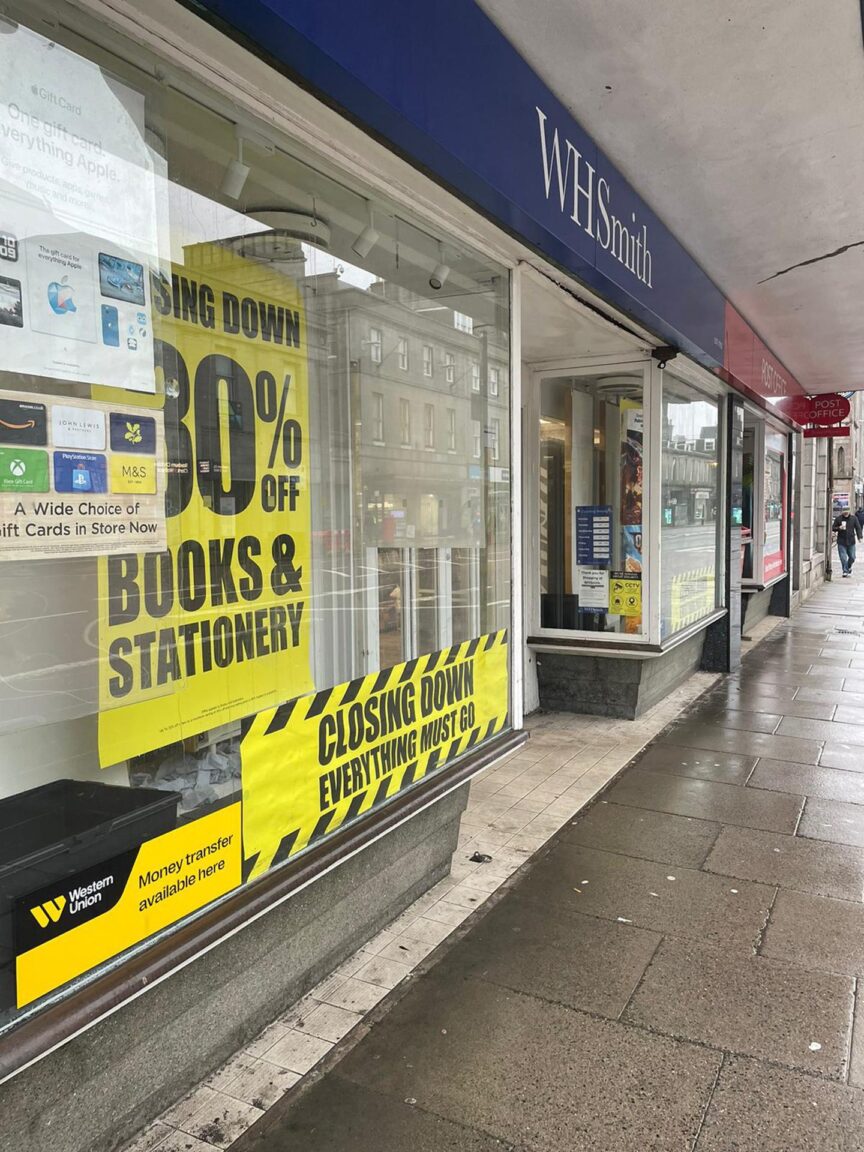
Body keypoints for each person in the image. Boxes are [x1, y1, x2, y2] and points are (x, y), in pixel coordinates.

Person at [832, 508, 863, 577]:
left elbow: (858, 528)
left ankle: (848, 567)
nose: (846, 513)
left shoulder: (854, 518)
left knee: (852, 557)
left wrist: (859, 537)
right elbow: (833, 528)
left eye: (847, 512)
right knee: (843, 557)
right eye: (844, 512)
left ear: (849, 511)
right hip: (841, 541)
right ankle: (845, 571)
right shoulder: (838, 519)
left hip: (851, 541)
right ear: (842, 512)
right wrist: (839, 528)